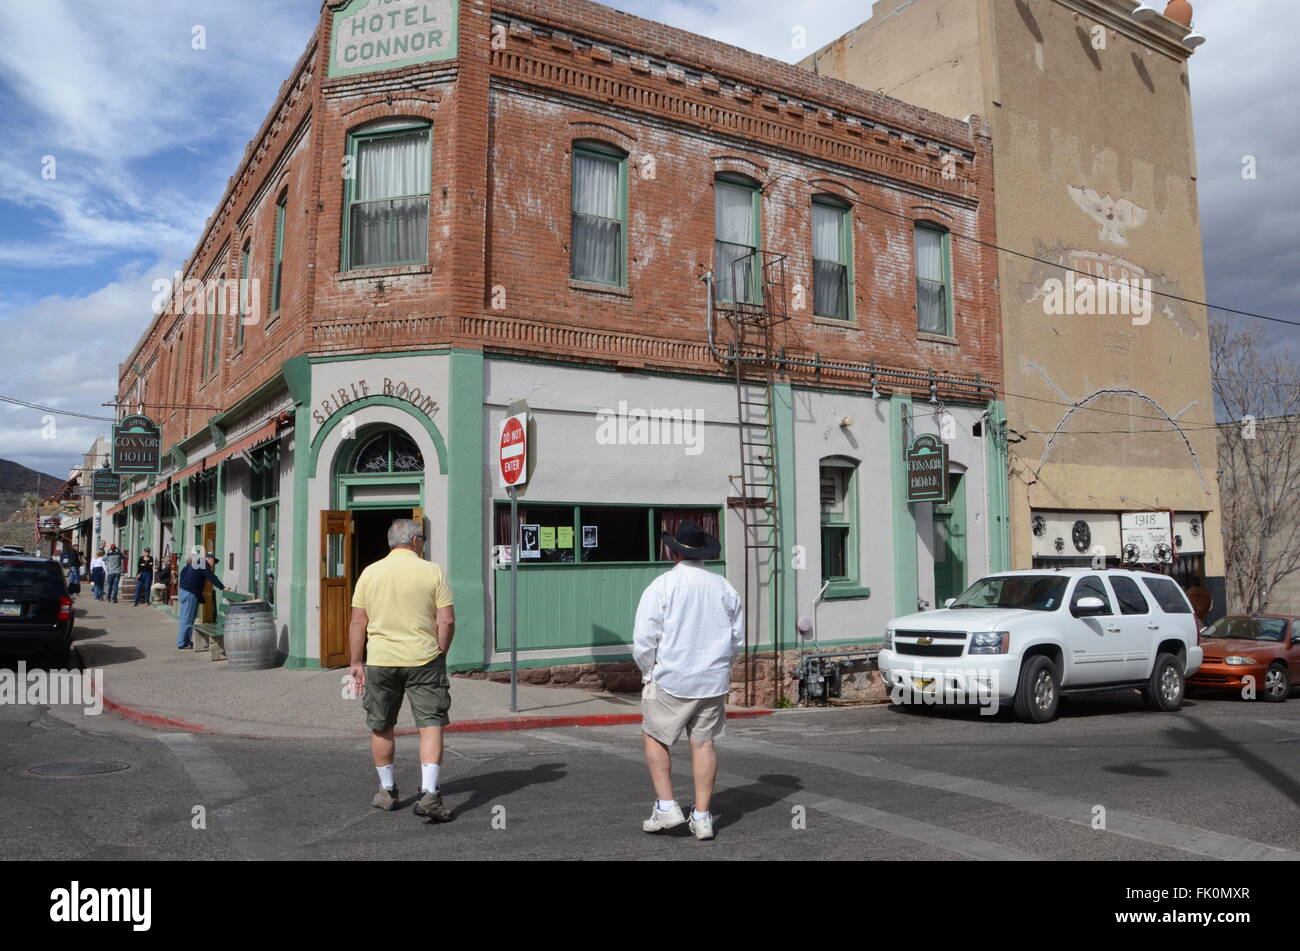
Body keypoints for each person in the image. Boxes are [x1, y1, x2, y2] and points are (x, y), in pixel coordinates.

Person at [633, 519, 744, 841]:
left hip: (672, 677)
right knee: (704, 743)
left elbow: (644, 639)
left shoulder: (662, 586)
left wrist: (647, 672)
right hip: (712, 679)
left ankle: (667, 806)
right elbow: (737, 638)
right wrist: (723, 666)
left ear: (673, 552)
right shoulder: (724, 587)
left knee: (654, 736)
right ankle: (703, 815)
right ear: (703, 553)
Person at [348, 519, 455, 822]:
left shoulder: (370, 573)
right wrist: (441, 652)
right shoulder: (432, 571)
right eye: (423, 539)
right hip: (424, 659)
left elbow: (358, 623)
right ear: (415, 541)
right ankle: (430, 794)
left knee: (381, 724)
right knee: (430, 723)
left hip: (381, 660)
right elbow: (446, 621)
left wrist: (357, 662)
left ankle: (386, 791)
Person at [177, 552, 225, 650]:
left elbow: (185, 576)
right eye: (213, 562)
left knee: (185, 618)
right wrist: (222, 587)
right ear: (209, 559)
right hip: (190, 594)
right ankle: (182, 643)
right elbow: (211, 576)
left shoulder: (196, 563)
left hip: (184, 592)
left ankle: (186, 641)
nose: (213, 565)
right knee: (188, 620)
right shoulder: (203, 563)